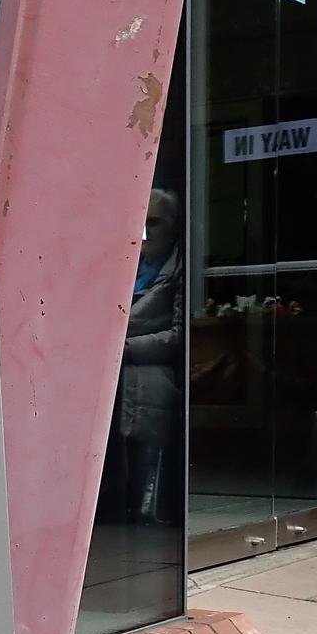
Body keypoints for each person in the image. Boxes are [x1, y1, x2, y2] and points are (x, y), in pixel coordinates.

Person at [117, 188, 184, 523]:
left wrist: (124, 349)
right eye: (140, 223)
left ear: (173, 226)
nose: (146, 232)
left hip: (147, 375)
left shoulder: (179, 270)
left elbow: (179, 336)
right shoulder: (124, 266)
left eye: (154, 222)